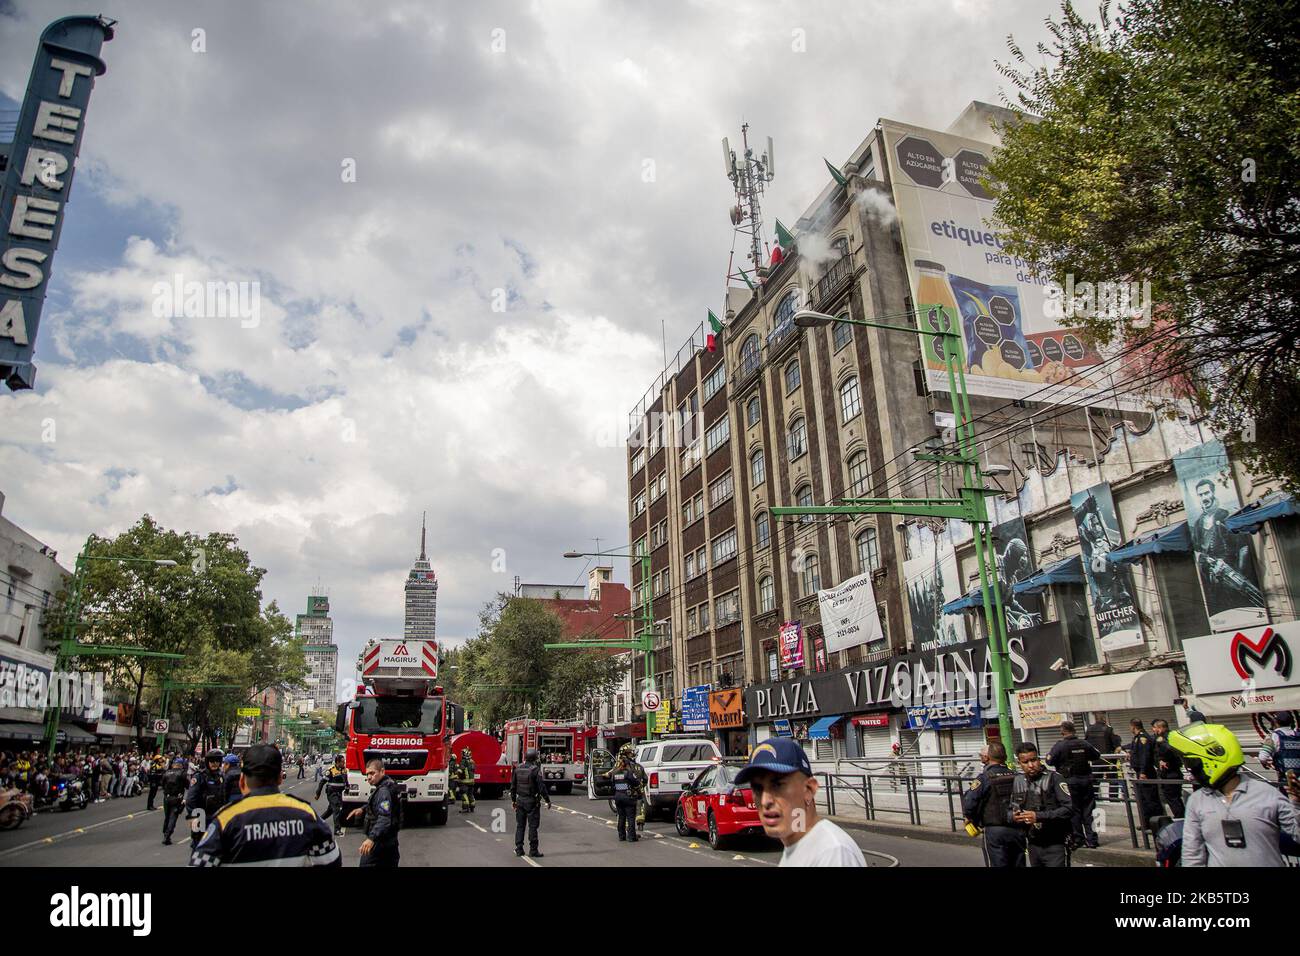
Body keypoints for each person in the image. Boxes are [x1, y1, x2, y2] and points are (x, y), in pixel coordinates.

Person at [1170, 721, 1300, 867]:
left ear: (1213, 757)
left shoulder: (1267, 794)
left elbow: (1297, 834)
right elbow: (1192, 855)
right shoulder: (1197, 801)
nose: (1189, 769)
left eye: (1191, 763)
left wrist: (1296, 803)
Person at [190, 744, 340, 867]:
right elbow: (332, 860)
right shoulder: (307, 814)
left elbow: (200, 862)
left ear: (242, 780)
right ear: (280, 778)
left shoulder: (226, 819)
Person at [734, 737, 866, 866]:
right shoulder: (797, 845)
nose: (765, 801)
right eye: (758, 788)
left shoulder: (833, 852)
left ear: (809, 790)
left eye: (777, 785)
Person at [961, 741, 1024, 866]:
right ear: (1005, 757)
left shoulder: (984, 778)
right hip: (1018, 829)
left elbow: (969, 802)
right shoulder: (1017, 776)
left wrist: (970, 818)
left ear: (987, 757)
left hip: (994, 830)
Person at [1011, 742, 1074, 867]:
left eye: (1033, 760)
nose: (1031, 765)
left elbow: (1069, 808)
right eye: (1025, 762)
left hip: (1055, 843)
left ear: (1039, 759)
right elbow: (1009, 808)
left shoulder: (1054, 778)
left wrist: (1039, 816)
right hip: (1033, 843)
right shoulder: (1018, 782)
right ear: (1020, 763)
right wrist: (1013, 816)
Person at [1048, 720, 1102, 849]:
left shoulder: (1060, 746)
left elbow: (1049, 761)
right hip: (1086, 781)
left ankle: (1079, 839)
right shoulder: (1084, 743)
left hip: (1069, 782)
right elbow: (1096, 755)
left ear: (1062, 731)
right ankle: (1092, 840)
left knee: (1074, 811)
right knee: (1089, 811)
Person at [347, 758, 402, 867]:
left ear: (382, 771)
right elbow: (381, 805)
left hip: (381, 842)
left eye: (372, 773)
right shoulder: (389, 785)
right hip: (390, 841)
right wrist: (362, 809)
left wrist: (371, 839)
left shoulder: (383, 791)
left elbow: (384, 818)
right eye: (367, 774)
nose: (369, 777)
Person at [510, 747, 552, 858]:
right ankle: (533, 850)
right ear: (535, 758)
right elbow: (542, 788)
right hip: (532, 802)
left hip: (520, 801)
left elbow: (513, 787)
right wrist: (547, 800)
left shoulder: (517, 768)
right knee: (533, 827)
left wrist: (513, 800)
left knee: (520, 826)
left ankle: (519, 849)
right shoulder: (535, 770)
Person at [185, 749, 228, 848]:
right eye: (212, 761)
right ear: (207, 762)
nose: (215, 764)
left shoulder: (221, 776)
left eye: (217, 761)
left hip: (216, 815)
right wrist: (194, 817)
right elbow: (191, 799)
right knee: (198, 844)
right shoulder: (200, 776)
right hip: (201, 815)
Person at [603, 744, 644, 842]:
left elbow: (612, 784)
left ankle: (621, 836)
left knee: (621, 817)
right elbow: (636, 782)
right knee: (630, 817)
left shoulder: (615, 773)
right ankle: (631, 837)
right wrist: (639, 792)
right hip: (628, 797)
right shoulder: (628, 772)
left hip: (618, 797)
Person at [1128, 719, 1161, 832]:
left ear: (1133, 726)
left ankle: (1156, 824)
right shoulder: (1137, 738)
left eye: (1130, 727)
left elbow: (1145, 756)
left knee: (1150, 799)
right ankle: (1146, 823)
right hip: (1140, 772)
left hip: (1146, 773)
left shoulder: (1143, 738)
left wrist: (1143, 771)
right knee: (1143, 800)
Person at [1151, 718, 1185, 818]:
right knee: (1175, 798)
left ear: (1160, 728)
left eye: (1155, 728)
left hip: (1170, 773)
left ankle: (1180, 818)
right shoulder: (1172, 736)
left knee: (1173, 798)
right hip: (1172, 772)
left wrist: (1162, 759)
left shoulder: (1163, 739)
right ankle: (1181, 817)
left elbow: (1168, 750)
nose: (1154, 731)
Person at [1259, 712, 1300, 790]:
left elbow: (1262, 757)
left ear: (1275, 722)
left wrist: (1266, 763)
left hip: (1285, 781)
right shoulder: (1297, 735)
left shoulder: (1274, 736)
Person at [316, 754, 349, 835]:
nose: (344, 763)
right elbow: (322, 782)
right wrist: (318, 793)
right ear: (337, 762)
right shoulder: (331, 770)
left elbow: (346, 780)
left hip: (339, 793)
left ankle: (317, 822)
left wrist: (347, 788)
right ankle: (337, 830)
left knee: (330, 810)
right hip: (332, 793)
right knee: (336, 809)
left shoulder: (344, 770)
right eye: (342, 762)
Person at [160, 757, 189, 845]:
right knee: (173, 816)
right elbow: (187, 785)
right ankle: (167, 835)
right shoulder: (182, 773)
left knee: (167, 816)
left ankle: (165, 833)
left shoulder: (167, 773)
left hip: (167, 798)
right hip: (177, 798)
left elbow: (162, 784)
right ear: (181, 765)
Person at [457, 747, 476, 813]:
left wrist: (457, 773)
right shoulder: (472, 761)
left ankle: (465, 807)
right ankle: (472, 807)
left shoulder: (463, 761)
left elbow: (460, 771)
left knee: (464, 794)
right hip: (472, 781)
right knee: (470, 794)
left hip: (464, 781)